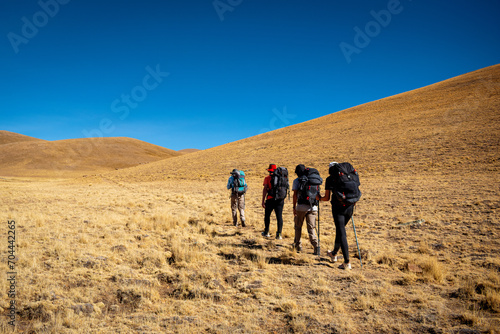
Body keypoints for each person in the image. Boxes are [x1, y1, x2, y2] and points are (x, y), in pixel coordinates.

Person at [320, 162, 354, 270]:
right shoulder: (349, 177)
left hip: (338, 208)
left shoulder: (330, 179)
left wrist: (318, 198)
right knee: (340, 231)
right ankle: (334, 253)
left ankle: (347, 262)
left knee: (341, 232)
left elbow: (326, 198)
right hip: (350, 207)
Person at [292, 164, 320, 255]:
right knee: (311, 228)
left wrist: (294, 207)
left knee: (298, 226)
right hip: (313, 207)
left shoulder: (297, 181)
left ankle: (298, 246)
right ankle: (316, 246)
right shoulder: (314, 180)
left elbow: (295, 195)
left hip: (301, 207)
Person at [261, 164, 284, 239]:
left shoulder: (267, 178)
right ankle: (279, 234)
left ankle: (266, 231)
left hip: (270, 199)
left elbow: (265, 189)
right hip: (280, 200)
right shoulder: (282, 178)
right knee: (279, 217)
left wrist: (263, 200)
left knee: (267, 216)